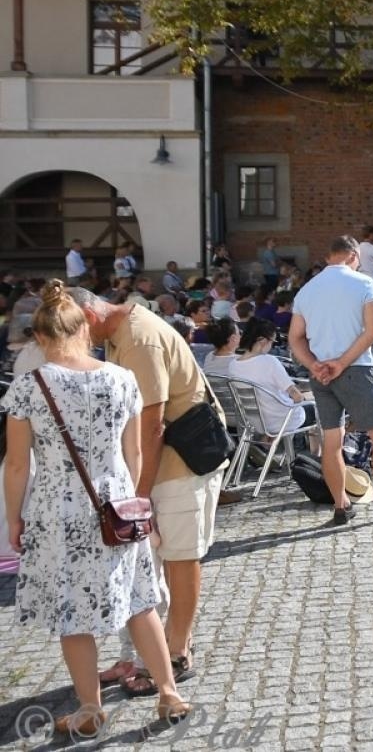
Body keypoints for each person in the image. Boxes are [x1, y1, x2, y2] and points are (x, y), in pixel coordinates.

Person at [1, 281, 189, 735]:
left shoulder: (30, 386)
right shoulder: (120, 378)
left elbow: (17, 465)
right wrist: (137, 497)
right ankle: (168, 691)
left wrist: (13, 518)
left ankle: (90, 708)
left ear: (41, 338)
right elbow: (136, 453)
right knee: (139, 600)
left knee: (72, 613)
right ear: (84, 331)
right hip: (117, 505)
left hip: (57, 511)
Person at [60, 280, 228, 696]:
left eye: (75, 329)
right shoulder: (119, 331)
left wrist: (138, 495)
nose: (76, 341)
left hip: (182, 463)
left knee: (180, 557)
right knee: (144, 564)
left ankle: (178, 651)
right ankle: (138, 654)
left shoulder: (137, 339)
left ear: (91, 316)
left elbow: (149, 426)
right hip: (164, 460)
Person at [289, 236, 373, 527]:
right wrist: (343, 361)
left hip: (321, 372)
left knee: (332, 440)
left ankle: (341, 506)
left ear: (329, 257)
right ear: (353, 255)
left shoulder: (307, 290)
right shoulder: (364, 283)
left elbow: (294, 338)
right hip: (355, 369)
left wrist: (315, 365)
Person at [230, 316, 314, 438]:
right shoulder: (269, 362)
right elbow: (296, 395)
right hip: (281, 420)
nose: (272, 346)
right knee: (316, 409)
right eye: (273, 342)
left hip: (255, 422)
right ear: (263, 341)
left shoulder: (233, 365)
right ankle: (317, 455)